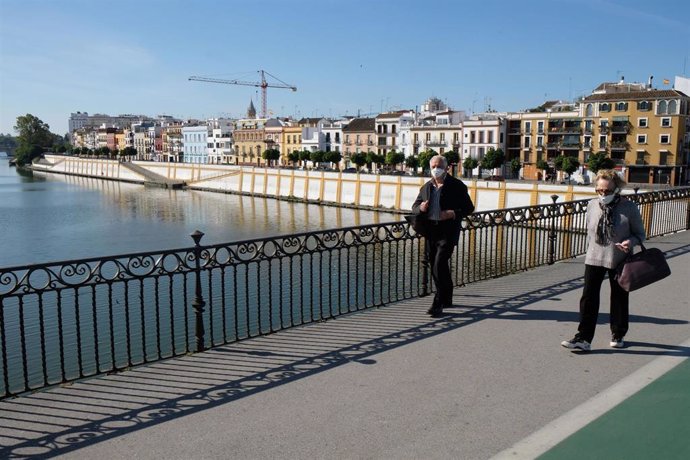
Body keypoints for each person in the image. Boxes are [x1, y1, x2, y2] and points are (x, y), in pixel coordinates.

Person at [561, 169, 646, 351]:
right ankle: (583, 338)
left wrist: (629, 242)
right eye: (599, 190)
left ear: (616, 189)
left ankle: (618, 332)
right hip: (594, 257)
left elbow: (640, 234)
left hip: (619, 259)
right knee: (588, 298)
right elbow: (590, 232)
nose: (602, 194)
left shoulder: (629, 208)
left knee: (619, 297)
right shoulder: (592, 205)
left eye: (607, 191)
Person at [412, 155, 475, 317]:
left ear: (447, 168)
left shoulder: (457, 186)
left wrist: (453, 214)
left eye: (439, 166)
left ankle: (438, 302)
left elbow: (469, 208)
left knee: (438, 264)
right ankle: (447, 297)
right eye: (433, 166)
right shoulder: (426, 187)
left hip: (448, 232)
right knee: (436, 265)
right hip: (431, 231)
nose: (435, 169)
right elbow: (414, 207)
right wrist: (422, 208)